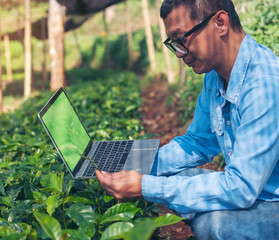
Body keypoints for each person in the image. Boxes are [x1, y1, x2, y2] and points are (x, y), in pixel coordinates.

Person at [96, 0, 279, 239]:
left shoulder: (264, 84)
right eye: (174, 44)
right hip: (253, 190)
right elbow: (197, 142)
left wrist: (144, 186)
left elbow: (241, 187)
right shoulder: (216, 76)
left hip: (270, 199)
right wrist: (133, 163)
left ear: (220, 23)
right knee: (170, 178)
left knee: (213, 225)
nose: (179, 53)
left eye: (182, 39)